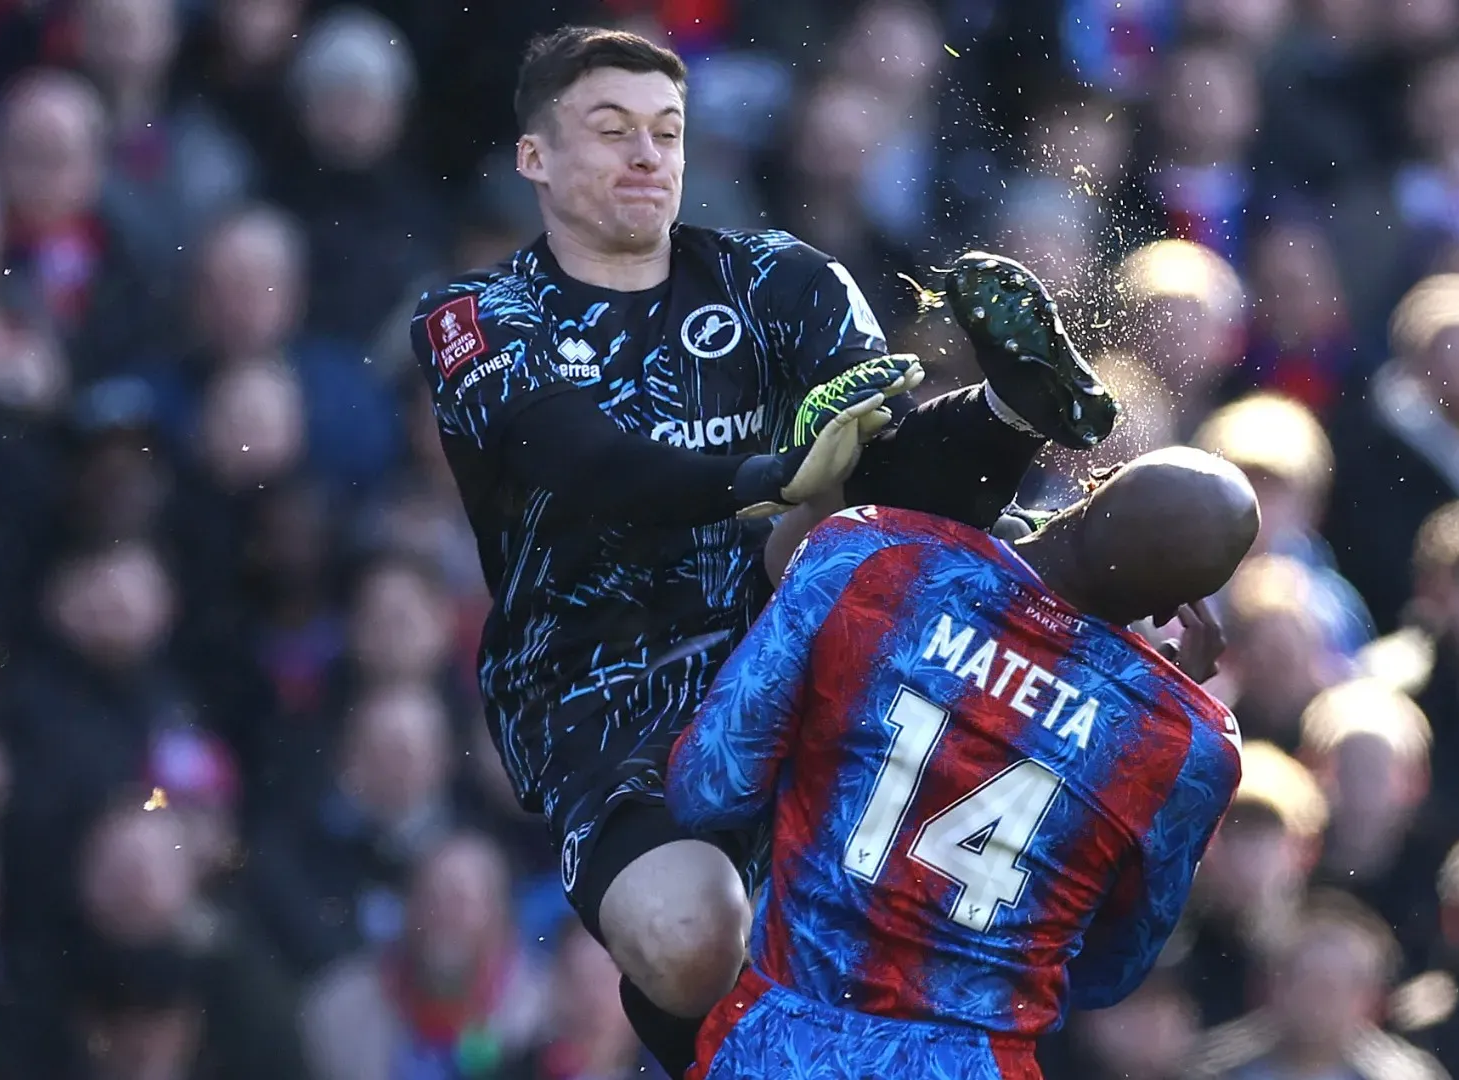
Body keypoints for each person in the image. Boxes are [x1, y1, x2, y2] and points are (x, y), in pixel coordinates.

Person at [408, 25, 1116, 1075]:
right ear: (535, 158)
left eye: (667, 132)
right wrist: (765, 477)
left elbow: (888, 488)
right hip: (600, 700)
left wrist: (988, 429)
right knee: (695, 946)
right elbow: (581, 465)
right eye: (611, 132)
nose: (647, 156)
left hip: (800, 665)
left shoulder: (781, 280)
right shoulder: (476, 315)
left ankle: (1016, 409)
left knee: (843, 533)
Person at [666, 447, 1256, 1078]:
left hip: (779, 1044)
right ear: (1181, 608)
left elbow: (707, 786)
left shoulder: (872, 552)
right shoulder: (1188, 744)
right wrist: (1155, 703)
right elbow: (1107, 974)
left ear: (1097, 479)